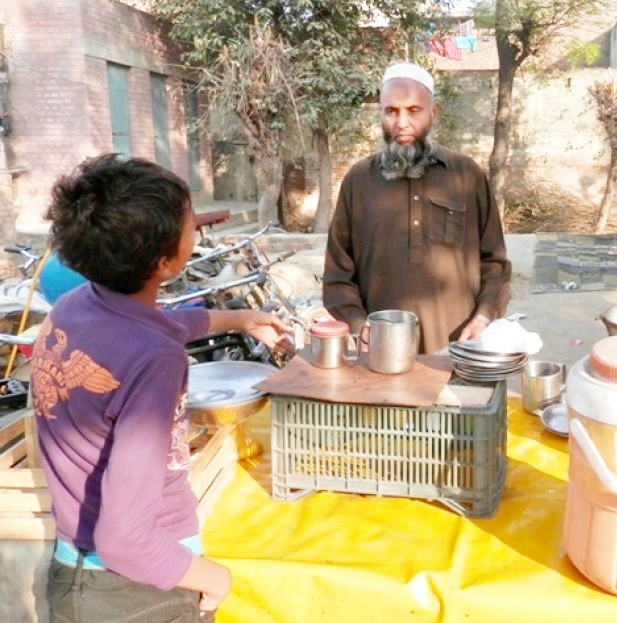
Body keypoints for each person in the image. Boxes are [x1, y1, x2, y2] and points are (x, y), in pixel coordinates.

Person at [33, 154, 292, 621]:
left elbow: (151, 325)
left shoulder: (74, 306)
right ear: (166, 261)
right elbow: (125, 539)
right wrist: (213, 577)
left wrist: (238, 318)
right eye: (191, 223)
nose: (197, 228)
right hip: (138, 592)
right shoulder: (155, 361)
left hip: (75, 572)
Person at [323, 62, 512, 354]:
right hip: (382, 352)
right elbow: (338, 274)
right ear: (381, 114)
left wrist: (484, 316)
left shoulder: (467, 175)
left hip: (458, 348)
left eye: (413, 111)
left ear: (433, 113)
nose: (402, 123)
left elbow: (495, 263)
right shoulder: (358, 181)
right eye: (391, 111)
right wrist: (360, 325)